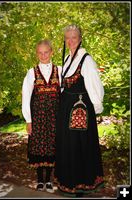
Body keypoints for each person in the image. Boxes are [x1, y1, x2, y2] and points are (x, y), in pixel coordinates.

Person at [54, 25, 104, 197]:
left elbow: (94, 85)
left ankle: (81, 184)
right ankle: (69, 181)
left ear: (80, 38)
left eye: (73, 37)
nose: (70, 41)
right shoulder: (68, 58)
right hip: (67, 108)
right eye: (67, 38)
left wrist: (97, 106)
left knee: (79, 146)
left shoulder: (86, 59)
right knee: (68, 145)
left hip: (79, 109)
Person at [22, 39, 61, 193]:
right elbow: (26, 97)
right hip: (37, 117)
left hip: (54, 118)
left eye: (46, 52)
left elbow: (64, 94)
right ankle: (40, 180)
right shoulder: (31, 72)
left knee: (52, 147)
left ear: (51, 52)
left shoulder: (60, 70)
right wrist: (28, 120)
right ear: (36, 53)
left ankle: (49, 180)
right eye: (40, 52)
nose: (43, 55)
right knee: (38, 147)